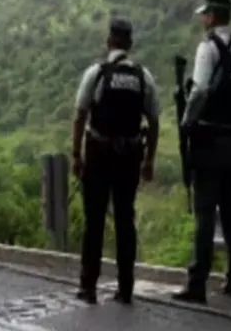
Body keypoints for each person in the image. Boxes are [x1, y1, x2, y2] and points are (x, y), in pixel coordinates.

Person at [70, 17, 160, 305]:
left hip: (98, 153)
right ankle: (125, 289)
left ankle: (89, 286)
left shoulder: (96, 73)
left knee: (94, 221)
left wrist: (76, 155)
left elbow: (80, 115)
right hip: (129, 156)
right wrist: (149, 161)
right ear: (130, 45)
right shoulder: (143, 77)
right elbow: (155, 121)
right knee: (125, 220)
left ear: (108, 42)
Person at [173, 0, 231, 304]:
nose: (202, 19)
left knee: (205, 214)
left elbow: (200, 91)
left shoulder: (208, 49)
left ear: (212, 16)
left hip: (209, 143)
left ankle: (197, 283)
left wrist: (185, 122)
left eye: (204, 14)